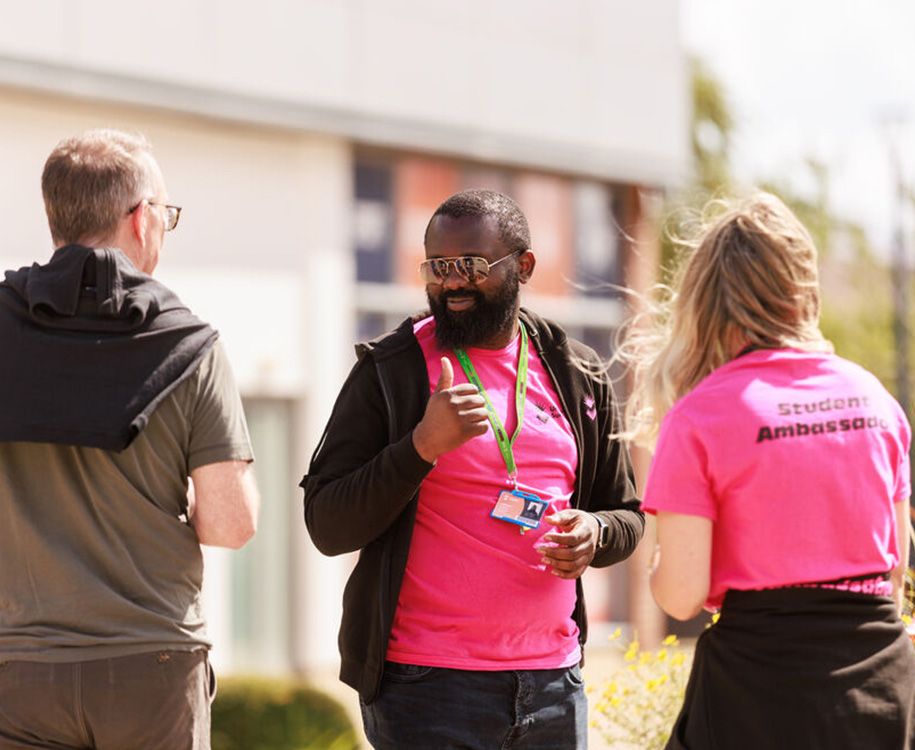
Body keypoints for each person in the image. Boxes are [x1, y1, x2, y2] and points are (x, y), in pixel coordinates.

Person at [301, 189, 644, 749]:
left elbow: (627, 515)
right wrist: (420, 447)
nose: (452, 282)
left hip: (554, 684)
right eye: (438, 267)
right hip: (427, 689)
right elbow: (326, 523)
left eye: (471, 266)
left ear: (524, 266)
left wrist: (596, 532)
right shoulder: (393, 371)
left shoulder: (576, 372)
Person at [619, 193, 915, 749]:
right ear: (802, 289)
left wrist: (658, 563)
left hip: (757, 693)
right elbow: (892, 577)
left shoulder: (697, 418)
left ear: (705, 302)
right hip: (881, 688)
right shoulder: (873, 398)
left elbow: (680, 596)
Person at [0, 129, 260, 750]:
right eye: (166, 215)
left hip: (19, 663)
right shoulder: (190, 345)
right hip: (152, 663)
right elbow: (231, 524)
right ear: (142, 220)